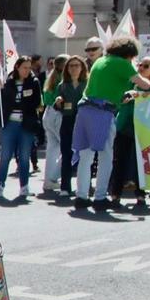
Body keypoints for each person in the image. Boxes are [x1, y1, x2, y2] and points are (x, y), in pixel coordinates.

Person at [71, 36, 150, 212]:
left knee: (85, 156)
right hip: (103, 112)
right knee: (106, 156)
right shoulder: (122, 63)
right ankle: (100, 198)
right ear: (129, 54)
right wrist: (142, 75)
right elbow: (145, 85)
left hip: (84, 109)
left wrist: (123, 95)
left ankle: (81, 197)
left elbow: (104, 89)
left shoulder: (101, 61)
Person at [109, 56, 150, 210]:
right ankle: (115, 195)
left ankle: (140, 195)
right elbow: (118, 100)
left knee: (142, 162)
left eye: (146, 66)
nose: (141, 68)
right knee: (119, 160)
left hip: (146, 130)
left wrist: (149, 96)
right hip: (125, 126)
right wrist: (126, 98)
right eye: (140, 65)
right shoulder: (130, 83)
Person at [0, 56, 42, 200]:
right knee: (5, 155)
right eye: (24, 68)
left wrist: (23, 104)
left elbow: (37, 101)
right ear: (17, 67)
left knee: (24, 156)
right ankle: (0, 185)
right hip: (10, 123)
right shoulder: (8, 82)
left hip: (26, 123)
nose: (27, 71)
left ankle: (24, 186)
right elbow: (0, 102)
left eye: (29, 68)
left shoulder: (34, 82)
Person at [56, 55, 87, 196]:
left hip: (84, 121)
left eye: (77, 65)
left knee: (85, 156)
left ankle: (84, 186)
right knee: (66, 154)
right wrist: (58, 102)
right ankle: (65, 187)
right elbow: (58, 107)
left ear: (82, 68)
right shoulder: (62, 86)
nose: (74, 68)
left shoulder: (87, 84)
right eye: (71, 66)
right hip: (67, 121)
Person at [39, 55, 67, 195]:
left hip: (48, 113)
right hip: (58, 114)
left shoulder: (50, 77)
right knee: (68, 148)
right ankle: (54, 176)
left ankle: (48, 180)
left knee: (52, 149)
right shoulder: (63, 79)